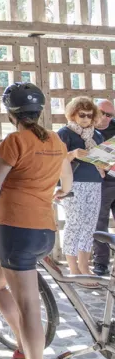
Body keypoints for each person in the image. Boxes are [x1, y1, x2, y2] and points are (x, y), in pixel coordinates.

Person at [0, 82, 71, 359]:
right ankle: (24, 350)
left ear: (11, 114)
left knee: (30, 308)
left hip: (17, 230)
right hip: (44, 231)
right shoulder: (57, 141)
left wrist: (6, 205)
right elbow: (67, 184)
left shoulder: (15, 141)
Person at [58, 97, 106, 281]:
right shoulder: (64, 133)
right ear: (73, 114)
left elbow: (102, 162)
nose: (86, 118)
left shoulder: (97, 135)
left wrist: (104, 163)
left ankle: (84, 266)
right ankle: (73, 268)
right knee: (74, 224)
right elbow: (56, 160)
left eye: (89, 115)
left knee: (89, 225)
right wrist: (73, 154)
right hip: (73, 183)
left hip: (95, 182)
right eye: (82, 115)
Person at [92, 98, 115, 276]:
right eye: (103, 113)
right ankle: (101, 263)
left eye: (110, 115)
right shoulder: (87, 128)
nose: (106, 118)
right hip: (100, 181)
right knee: (99, 221)